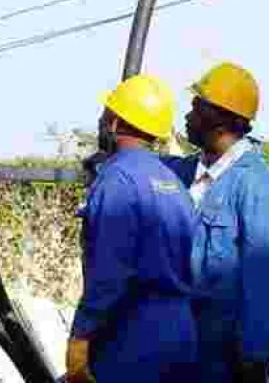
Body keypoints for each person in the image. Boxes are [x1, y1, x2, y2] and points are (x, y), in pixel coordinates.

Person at [161, 63, 269, 383]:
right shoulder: (185, 173)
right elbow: (139, 169)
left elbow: (266, 285)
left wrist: (253, 360)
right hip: (178, 352)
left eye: (197, 107)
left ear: (220, 119)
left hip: (222, 363)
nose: (187, 116)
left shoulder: (259, 188)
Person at [66, 74, 198, 383]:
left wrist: (81, 335)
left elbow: (109, 272)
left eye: (106, 113)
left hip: (131, 337)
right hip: (181, 333)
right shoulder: (173, 182)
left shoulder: (117, 180)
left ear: (114, 123)